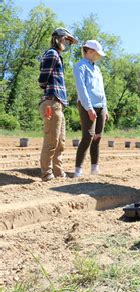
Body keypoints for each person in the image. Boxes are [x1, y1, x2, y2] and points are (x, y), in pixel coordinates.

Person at [38, 28, 78, 182]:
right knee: (51, 140)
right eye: (67, 40)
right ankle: (47, 173)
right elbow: (42, 79)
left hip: (58, 103)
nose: (68, 44)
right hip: (51, 102)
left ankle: (58, 172)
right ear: (60, 39)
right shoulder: (52, 54)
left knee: (60, 141)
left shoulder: (57, 56)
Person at [73, 40, 109, 178]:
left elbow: (101, 89)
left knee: (97, 137)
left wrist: (105, 107)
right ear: (89, 51)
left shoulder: (97, 68)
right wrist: (89, 108)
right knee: (88, 136)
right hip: (87, 105)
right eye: (97, 53)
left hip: (100, 106)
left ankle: (94, 168)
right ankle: (78, 170)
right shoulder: (80, 66)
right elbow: (81, 89)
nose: (99, 56)